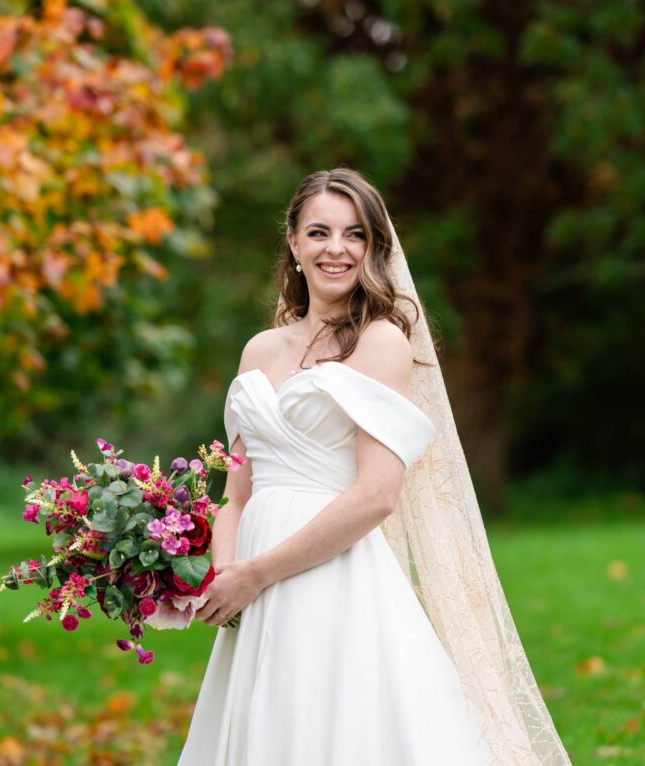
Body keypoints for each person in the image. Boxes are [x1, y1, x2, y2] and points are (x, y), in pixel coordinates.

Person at [178, 168, 571, 765]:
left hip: (331, 576)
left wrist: (258, 572)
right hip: (251, 589)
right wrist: (223, 577)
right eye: (319, 232)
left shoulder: (382, 343)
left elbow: (376, 496)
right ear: (293, 242)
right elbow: (236, 491)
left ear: (373, 247)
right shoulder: (259, 350)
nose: (336, 249)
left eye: (354, 234)